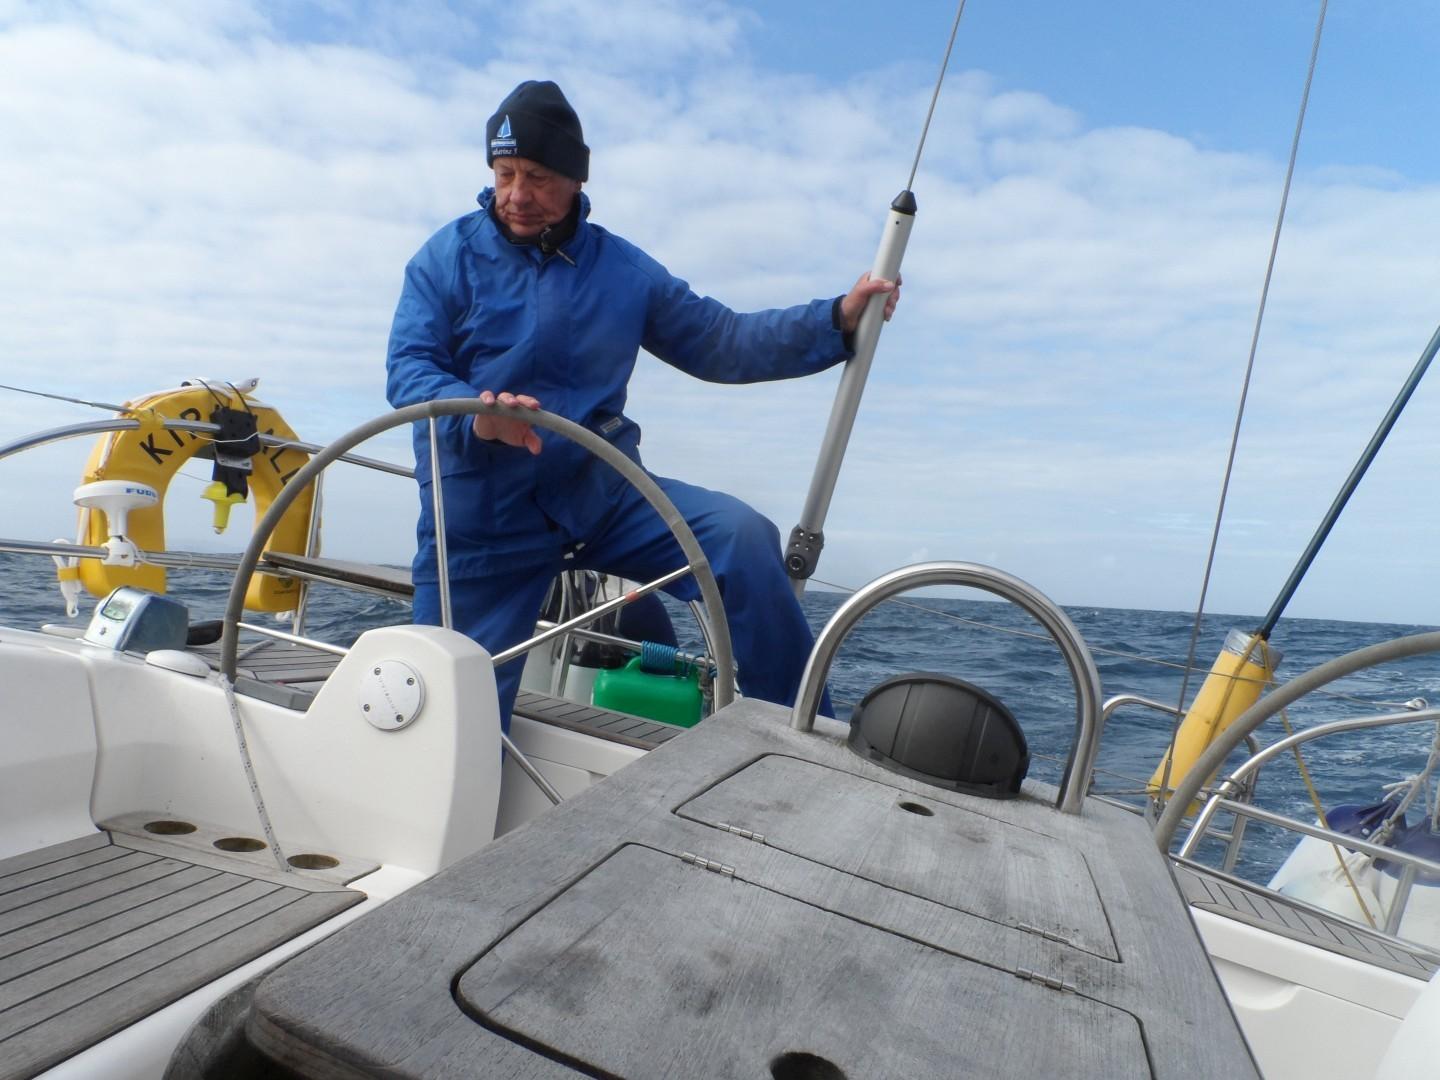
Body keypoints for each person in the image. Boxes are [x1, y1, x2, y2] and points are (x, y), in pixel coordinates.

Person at [386, 79, 899, 729]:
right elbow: (409, 367)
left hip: (602, 498)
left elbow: (721, 340)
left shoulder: (623, 271)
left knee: (741, 538)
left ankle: (793, 741)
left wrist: (835, 319)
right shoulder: (443, 260)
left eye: (538, 177)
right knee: (449, 714)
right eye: (505, 173)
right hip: (484, 520)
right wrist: (474, 414)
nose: (516, 194)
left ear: (576, 178)